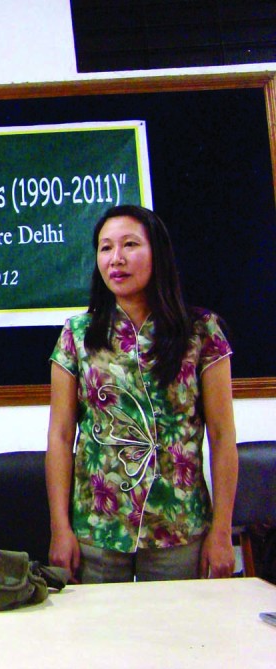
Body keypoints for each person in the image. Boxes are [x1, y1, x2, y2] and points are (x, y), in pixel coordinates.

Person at [46, 204, 237, 583]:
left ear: (158, 253)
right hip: (98, 531)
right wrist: (60, 528)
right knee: (99, 640)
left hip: (179, 527)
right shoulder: (77, 334)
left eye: (130, 244)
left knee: (177, 640)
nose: (116, 259)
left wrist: (222, 531)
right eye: (105, 248)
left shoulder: (202, 332)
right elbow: (61, 435)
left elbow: (221, 435)